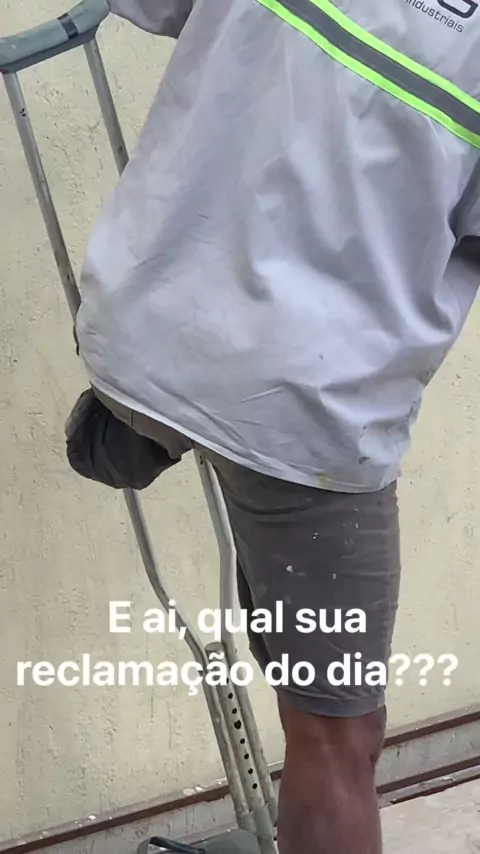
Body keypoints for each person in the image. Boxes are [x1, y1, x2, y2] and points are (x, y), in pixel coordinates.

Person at [74, 1, 480, 851]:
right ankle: (187, 419)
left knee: (187, 382)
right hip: (309, 408)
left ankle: (150, 417)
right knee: (339, 734)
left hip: (153, 319)